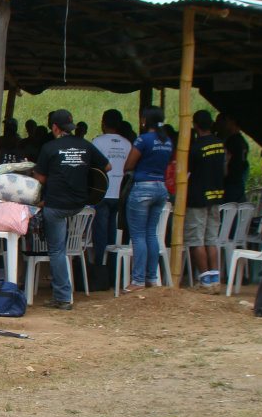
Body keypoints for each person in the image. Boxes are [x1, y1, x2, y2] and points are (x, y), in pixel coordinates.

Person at [33, 109, 110, 310]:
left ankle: (63, 297)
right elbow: (107, 167)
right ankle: (63, 292)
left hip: (56, 206)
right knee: (62, 247)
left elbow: (40, 179)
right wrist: (82, 172)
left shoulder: (49, 147)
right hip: (79, 205)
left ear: (54, 128)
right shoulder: (85, 145)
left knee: (57, 250)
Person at [122, 106, 174, 292]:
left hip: (143, 187)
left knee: (138, 235)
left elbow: (129, 164)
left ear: (145, 120)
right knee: (152, 234)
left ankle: (137, 281)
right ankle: (152, 277)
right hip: (161, 187)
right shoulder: (167, 141)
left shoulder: (143, 139)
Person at [185, 110, 226, 292]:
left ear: (195, 125)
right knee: (211, 239)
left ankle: (204, 280)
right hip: (215, 196)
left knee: (197, 240)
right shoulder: (220, 144)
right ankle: (215, 279)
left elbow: (187, 171)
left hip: (198, 198)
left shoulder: (196, 147)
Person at [90, 109, 132, 265]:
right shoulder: (127, 144)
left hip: (102, 192)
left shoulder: (97, 142)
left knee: (100, 231)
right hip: (120, 193)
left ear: (103, 123)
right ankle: (113, 264)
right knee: (113, 229)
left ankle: (100, 264)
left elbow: (92, 166)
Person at [218, 112, 248, 203]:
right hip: (239, 183)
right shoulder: (243, 142)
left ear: (232, 122)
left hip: (230, 184)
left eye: (226, 121)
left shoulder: (232, 141)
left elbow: (226, 164)